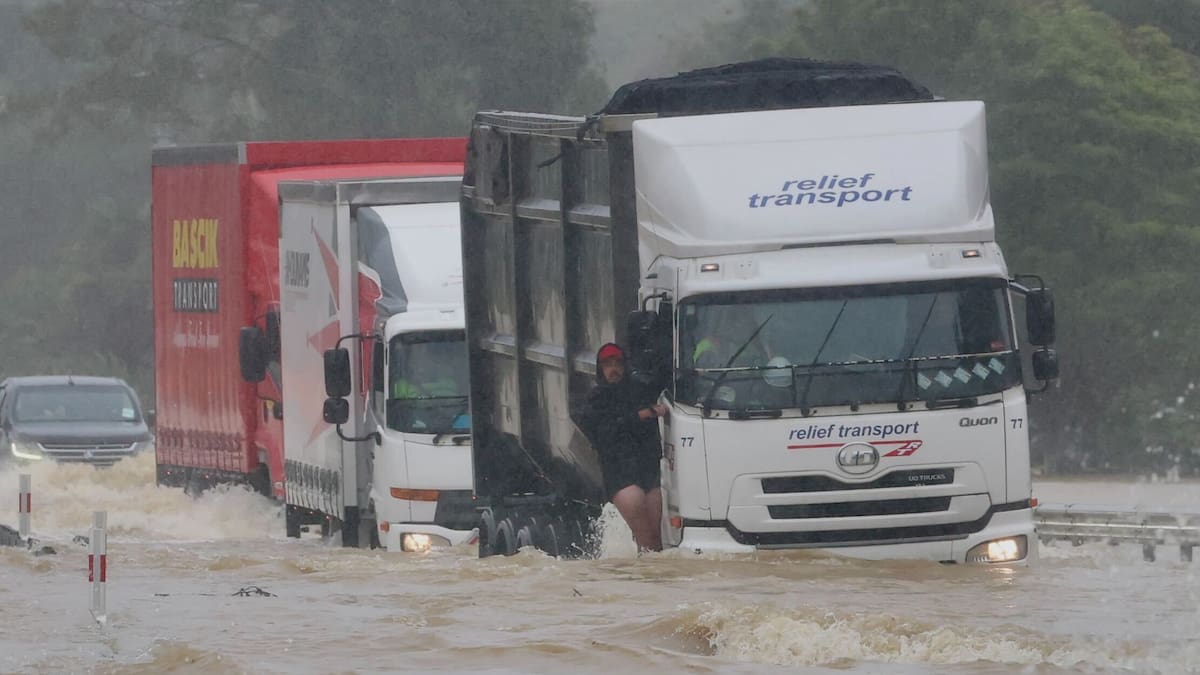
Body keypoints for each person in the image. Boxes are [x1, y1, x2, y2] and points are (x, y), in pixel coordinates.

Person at [580, 342, 667, 552]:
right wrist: (641, 416)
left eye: (618, 363)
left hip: (648, 471)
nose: (614, 369)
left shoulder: (639, 390)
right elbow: (605, 433)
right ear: (600, 368)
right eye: (608, 364)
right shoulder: (596, 400)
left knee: (657, 540)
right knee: (647, 540)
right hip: (621, 475)